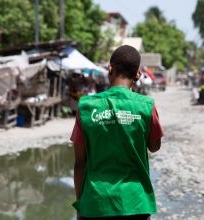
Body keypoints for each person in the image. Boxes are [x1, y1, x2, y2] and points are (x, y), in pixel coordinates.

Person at [71, 45, 164, 219]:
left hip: (96, 202)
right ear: (137, 75)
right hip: (136, 202)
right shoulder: (146, 106)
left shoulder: (86, 106)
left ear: (110, 68)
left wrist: (81, 203)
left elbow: (80, 163)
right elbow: (154, 146)